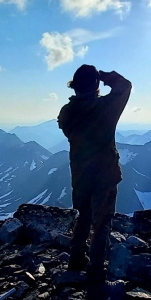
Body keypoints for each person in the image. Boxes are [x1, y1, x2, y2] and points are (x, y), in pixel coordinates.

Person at [57, 64, 132, 284]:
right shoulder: (106, 108)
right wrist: (105, 75)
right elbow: (125, 86)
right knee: (102, 222)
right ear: (96, 85)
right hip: (105, 175)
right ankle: (95, 268)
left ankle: (76, 258)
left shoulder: (67, 112)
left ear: (75, 86)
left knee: (83, 216)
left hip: (80, 174)